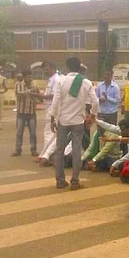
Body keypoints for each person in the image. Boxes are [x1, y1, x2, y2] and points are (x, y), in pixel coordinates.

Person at [50, 57, 98, 190]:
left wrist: (52, 118)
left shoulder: (61, 81)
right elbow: (95, 102)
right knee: (77, 151)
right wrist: (92, 115)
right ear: (79, 67)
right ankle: (75, 181)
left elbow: (55, 102)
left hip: (63, 120)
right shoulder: (86, 82)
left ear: (67, 67)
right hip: (78, 121)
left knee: (59, 150)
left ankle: (60, 181)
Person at [12, 71, 40, 157]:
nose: (30, 78)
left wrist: (34, 95)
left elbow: (38, 96)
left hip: (31, 112)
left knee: (32, 133)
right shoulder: (18, 85)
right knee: (19, 132)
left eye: (31, 77)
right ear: (24, 77)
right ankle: (18, 149)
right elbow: (17, 94)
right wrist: (28, 92)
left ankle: (33, 149)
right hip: (21, 112)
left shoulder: (34, 86)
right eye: (28, 77)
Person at [38, 61, 60, 163]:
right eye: (44, 69)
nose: (45, 71)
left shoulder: (56, 79)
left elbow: (55, 95)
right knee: (49, 133)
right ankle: (46, 154)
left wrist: (42, 96)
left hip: (52, 109)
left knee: (49, 133)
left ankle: (46, 155)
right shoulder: (51, 80)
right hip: (49, 108)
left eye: (47, 69)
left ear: (53, 68)